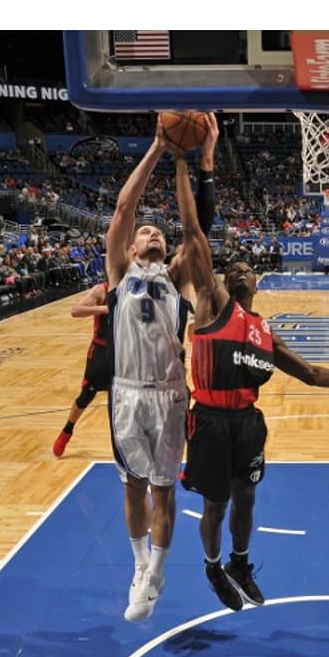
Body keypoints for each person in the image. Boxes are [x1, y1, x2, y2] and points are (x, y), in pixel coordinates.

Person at [168, 140, 329, 612]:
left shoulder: (264, 330)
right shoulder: (211, 302)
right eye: (234, 267)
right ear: (222, 279)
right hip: (207, 420)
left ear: (258, 281)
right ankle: (212, 567)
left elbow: (311, 373)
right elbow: (191, 231)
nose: (242, 269)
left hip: (247, 422)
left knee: (246, 501)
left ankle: (240, 563)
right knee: (215, 505)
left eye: (249, 268)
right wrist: (185, 164)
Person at [105, 112, 216, 624]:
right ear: (129, 248)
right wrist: (157, 146)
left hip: (171, 394)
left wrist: (193, 162)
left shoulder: (181, 280)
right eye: (142, 231)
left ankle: (159, 572)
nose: (149, 230)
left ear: (165, 250)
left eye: (157, 231)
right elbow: (126, 205)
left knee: (163, 490)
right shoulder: (119, 275)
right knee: (132, 487)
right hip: (126, 393)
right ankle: (137, 566)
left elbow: (197, 230)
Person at [51, 280, 111, 458]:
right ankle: (67, 431)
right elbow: (75, 311)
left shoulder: (135, 287)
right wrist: (103, 309)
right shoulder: (102, 290)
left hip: (124, 351)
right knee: (86, 395)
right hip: (101, 350)